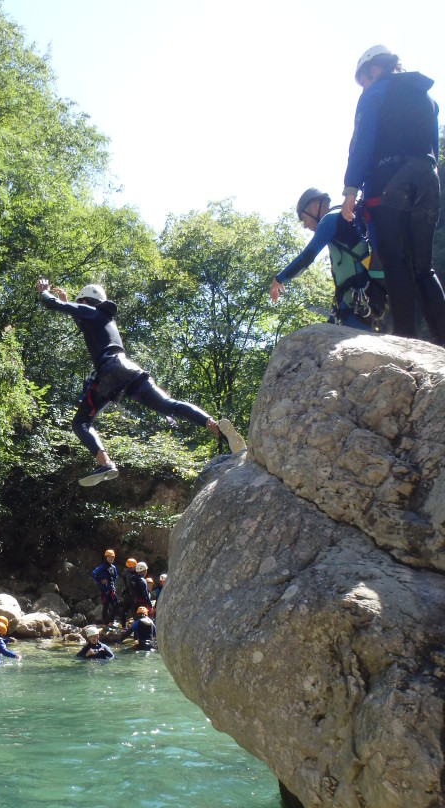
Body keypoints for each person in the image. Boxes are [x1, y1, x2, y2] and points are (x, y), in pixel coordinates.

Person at [35, 278, 246, 486]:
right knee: (169, 405)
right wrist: (70, 302)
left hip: (110, 372)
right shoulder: (104, 319)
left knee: (80, 422)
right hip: (131, 372)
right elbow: (85, 323)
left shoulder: (91, 312)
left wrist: (45, 292)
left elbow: (53, 305)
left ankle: (105, 462)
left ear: (86, 301)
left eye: (79, 303)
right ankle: (217, 429)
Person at [341, 45, 445, 344]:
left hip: (389, 182)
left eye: (364, 79)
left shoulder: (374, 94)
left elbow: (362, 143)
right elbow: (433, 152)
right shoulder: (428, 99)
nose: (365, 85)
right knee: (423, 268)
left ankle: (405, 341)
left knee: (395, 263)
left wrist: (350, 188)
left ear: (374, 68)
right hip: (428, 180)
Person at [269, 189, 387, 331]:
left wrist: (278, 279)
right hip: (360, 300)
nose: (305, 225)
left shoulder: (330, 219)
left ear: (313, 207)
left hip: (354, 303)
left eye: (304, 219)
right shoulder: (344, 217)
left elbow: (307, 257)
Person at [91, 548, 119, 626]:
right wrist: (101, 581)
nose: (111, 559)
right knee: (106, 606)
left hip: (111, 589)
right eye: (109, 557)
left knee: (116, 604)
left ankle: (111, 621)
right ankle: (105, 623)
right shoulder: (102, 567)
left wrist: (113, 585)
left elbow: (115, 576)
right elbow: (93, 574)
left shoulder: (113, 567)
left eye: (112, 557)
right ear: (106, 558)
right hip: (105, 590)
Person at [120, 557, 138, 624]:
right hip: (131, 595)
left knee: (125, 610)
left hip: (127, 594)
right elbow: (131, 586)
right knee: (134, 611)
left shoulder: (125, 573)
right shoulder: (130, 575)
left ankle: (123, 626)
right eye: (134, 566)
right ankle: (136, 625)